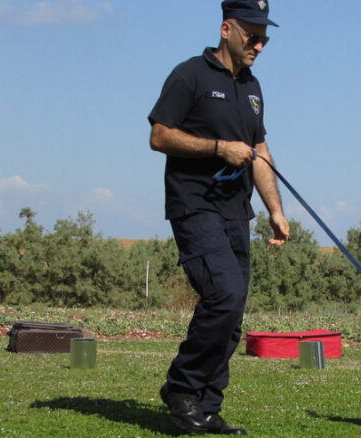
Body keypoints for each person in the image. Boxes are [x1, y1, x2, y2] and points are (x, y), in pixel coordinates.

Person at [147, 1, 289, 435]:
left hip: (235, 212)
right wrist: (217, 148)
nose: (260, 45)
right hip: (194, 205)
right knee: (224, 295)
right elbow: (159, 135)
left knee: (233, 312)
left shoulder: (253, 87)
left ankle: (206, 406)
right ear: (227, 28)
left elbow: (260, 153)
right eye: (253, 35)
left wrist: (276, 210)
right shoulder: (189, 74)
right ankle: (182, 389)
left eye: (265, 38)